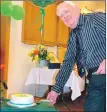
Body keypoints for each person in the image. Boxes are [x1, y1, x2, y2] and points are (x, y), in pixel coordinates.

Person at [47, 1, 106, 112]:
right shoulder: (73, 36)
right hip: (95, 78)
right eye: (61, 16)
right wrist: (56, 90)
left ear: (77, 9)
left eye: (66, 11)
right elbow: (68, 62)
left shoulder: (96, 19)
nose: (64, 17)